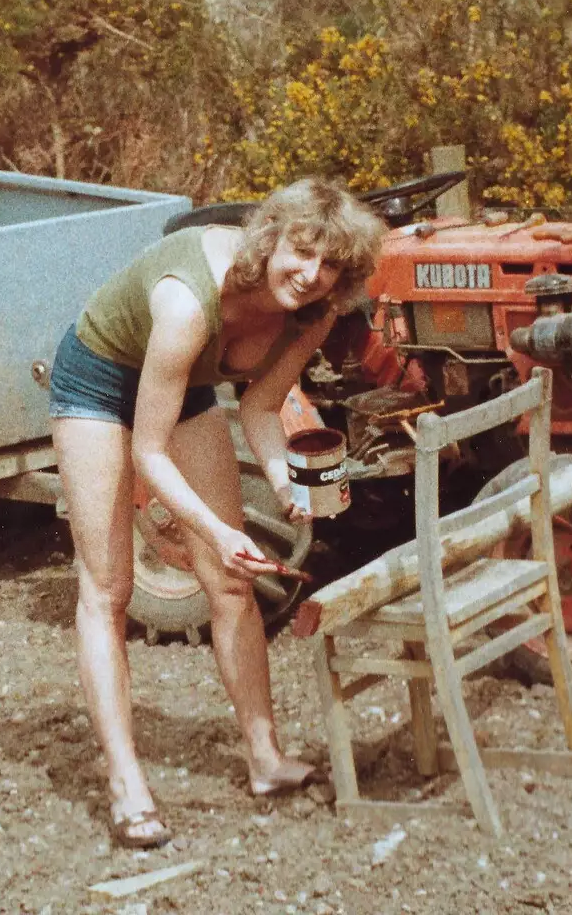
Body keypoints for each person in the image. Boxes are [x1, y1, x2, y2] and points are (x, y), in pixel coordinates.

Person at [48, 177, 386, 849]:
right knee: (108, 589)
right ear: (271, 238)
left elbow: (260, 407)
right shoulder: (186, 300)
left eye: (331, 267)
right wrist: (217, 529)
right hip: (98, 381)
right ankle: (126, 784)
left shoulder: (312, 312)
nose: (312, 275)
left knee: (231, 583)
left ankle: (265, 759)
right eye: (302, 252)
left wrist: (285, 483)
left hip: (187, 385)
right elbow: (148, 451)